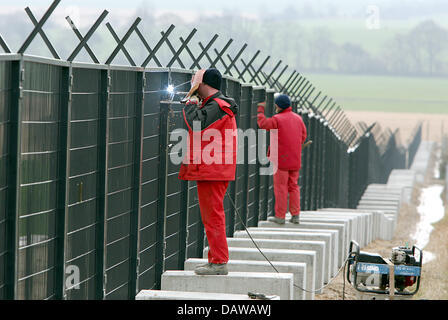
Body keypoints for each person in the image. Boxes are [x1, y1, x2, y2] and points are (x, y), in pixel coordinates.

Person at [179, 68, 238, 275]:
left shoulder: (218, 106)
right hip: (213, 168)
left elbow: (196, 124)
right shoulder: (216, 105)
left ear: (203, 83)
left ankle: (219, 262)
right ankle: (216, 260)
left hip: (213, 169)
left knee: (213, 216)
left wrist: (190, 103)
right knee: (211, 215)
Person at [257, 94, 307, 224]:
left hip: (280, 160)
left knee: (281, 188)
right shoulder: (298, 119)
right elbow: (303, 136)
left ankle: (280, 216)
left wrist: (260, 110)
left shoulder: (277, 119)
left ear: (278, 106)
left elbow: (263, 124)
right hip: (295, 160)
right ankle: (295, 215)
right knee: (294, 187)